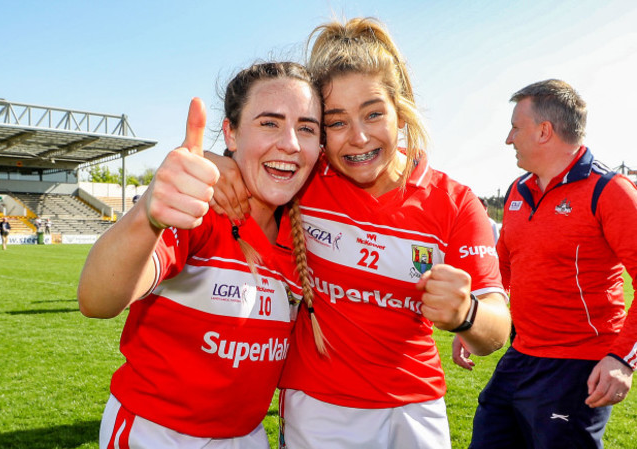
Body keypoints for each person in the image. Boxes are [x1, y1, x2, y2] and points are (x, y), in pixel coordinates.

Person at [207, 17, 511, 449]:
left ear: (400, 112)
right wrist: (214, 163)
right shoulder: (306, 178)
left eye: (373, 114)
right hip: (318, 407)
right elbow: (248, 159)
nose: (359, 137)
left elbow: (496, 330)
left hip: (416, 407)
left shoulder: (454, 202)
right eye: (336, 122)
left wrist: (467, 314)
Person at [77, 61, 323, 449]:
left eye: (306, 128)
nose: (290, 143)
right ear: (231, 131)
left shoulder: (304, 239)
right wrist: (148, 215)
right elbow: (96, 299)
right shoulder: (199, 213)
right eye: (269, 123)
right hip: (157, 436)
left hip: (248, 438)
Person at [468, 79, 637, 449]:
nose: (508, 139)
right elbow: (504, 267)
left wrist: (622, 359)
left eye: (515, 127)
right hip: (520, 354)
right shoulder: (517, 191)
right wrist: (476, 319)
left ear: (544, 131)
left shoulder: (609, 191)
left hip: (578, 365)